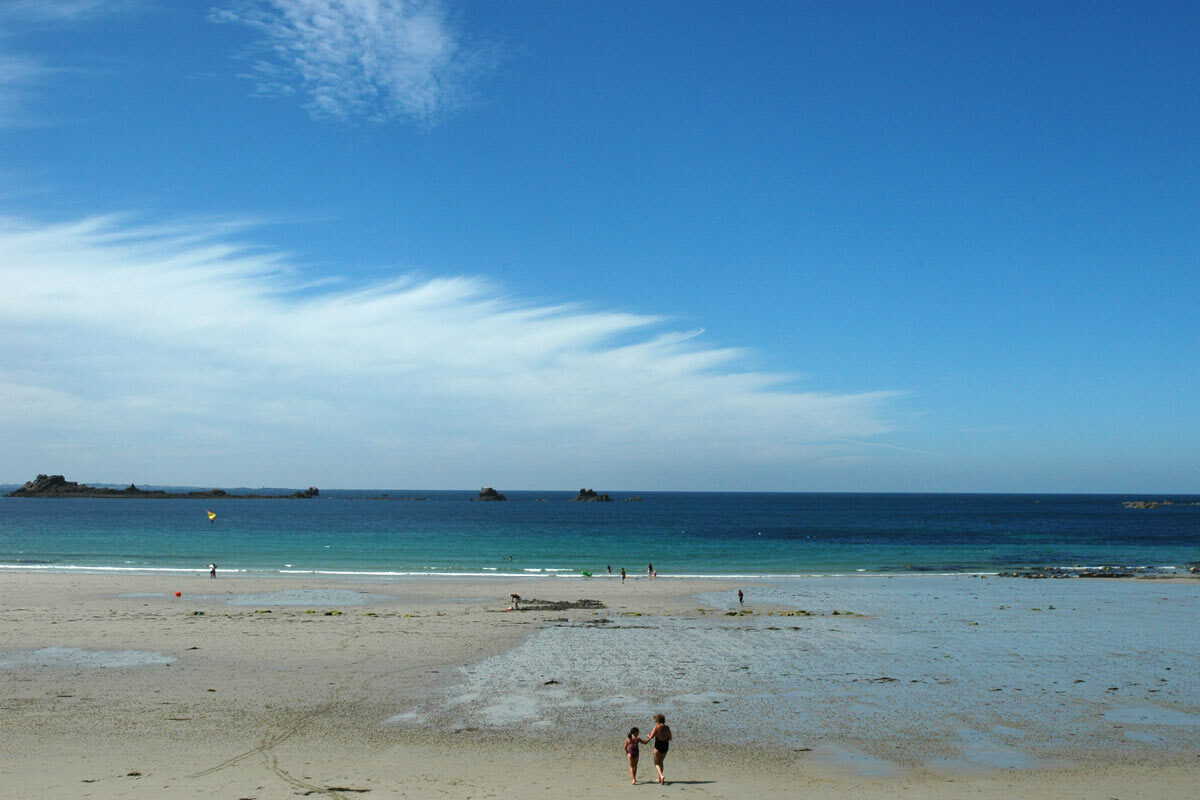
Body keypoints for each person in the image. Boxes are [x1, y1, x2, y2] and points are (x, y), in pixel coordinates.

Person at [648, 713, 672, 784]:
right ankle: (659, 779)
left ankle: (661, 776)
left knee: (656, 762)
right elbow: (670, 738)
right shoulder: (667, 728)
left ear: (657, 720)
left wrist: (648, 735)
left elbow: (651, 737)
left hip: (658, 745)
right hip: (665, 745)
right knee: (661, 761)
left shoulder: (656, 727)